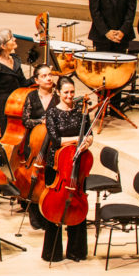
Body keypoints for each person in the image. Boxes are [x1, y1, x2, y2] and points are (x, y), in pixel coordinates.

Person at [38, 77, 93, 262]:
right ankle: (52, 252)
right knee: (55, 207)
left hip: (76, 167)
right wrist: (77, 140)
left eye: (72, 92)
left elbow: (90, 135)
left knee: (77, 205)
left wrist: (87, 143)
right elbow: (55, 140)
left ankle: (76, 251)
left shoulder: (81, 112)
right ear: (59, 93)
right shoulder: (52, 113)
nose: (70, 96)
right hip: (57, 165)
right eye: (66, 92)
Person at [0, 29, 30, 137]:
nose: (14, 39)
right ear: (3, 46)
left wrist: (38, 77)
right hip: (2, 111)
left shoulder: (15, 60)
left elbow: (23, 83)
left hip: (17, 106)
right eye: (11, 38)